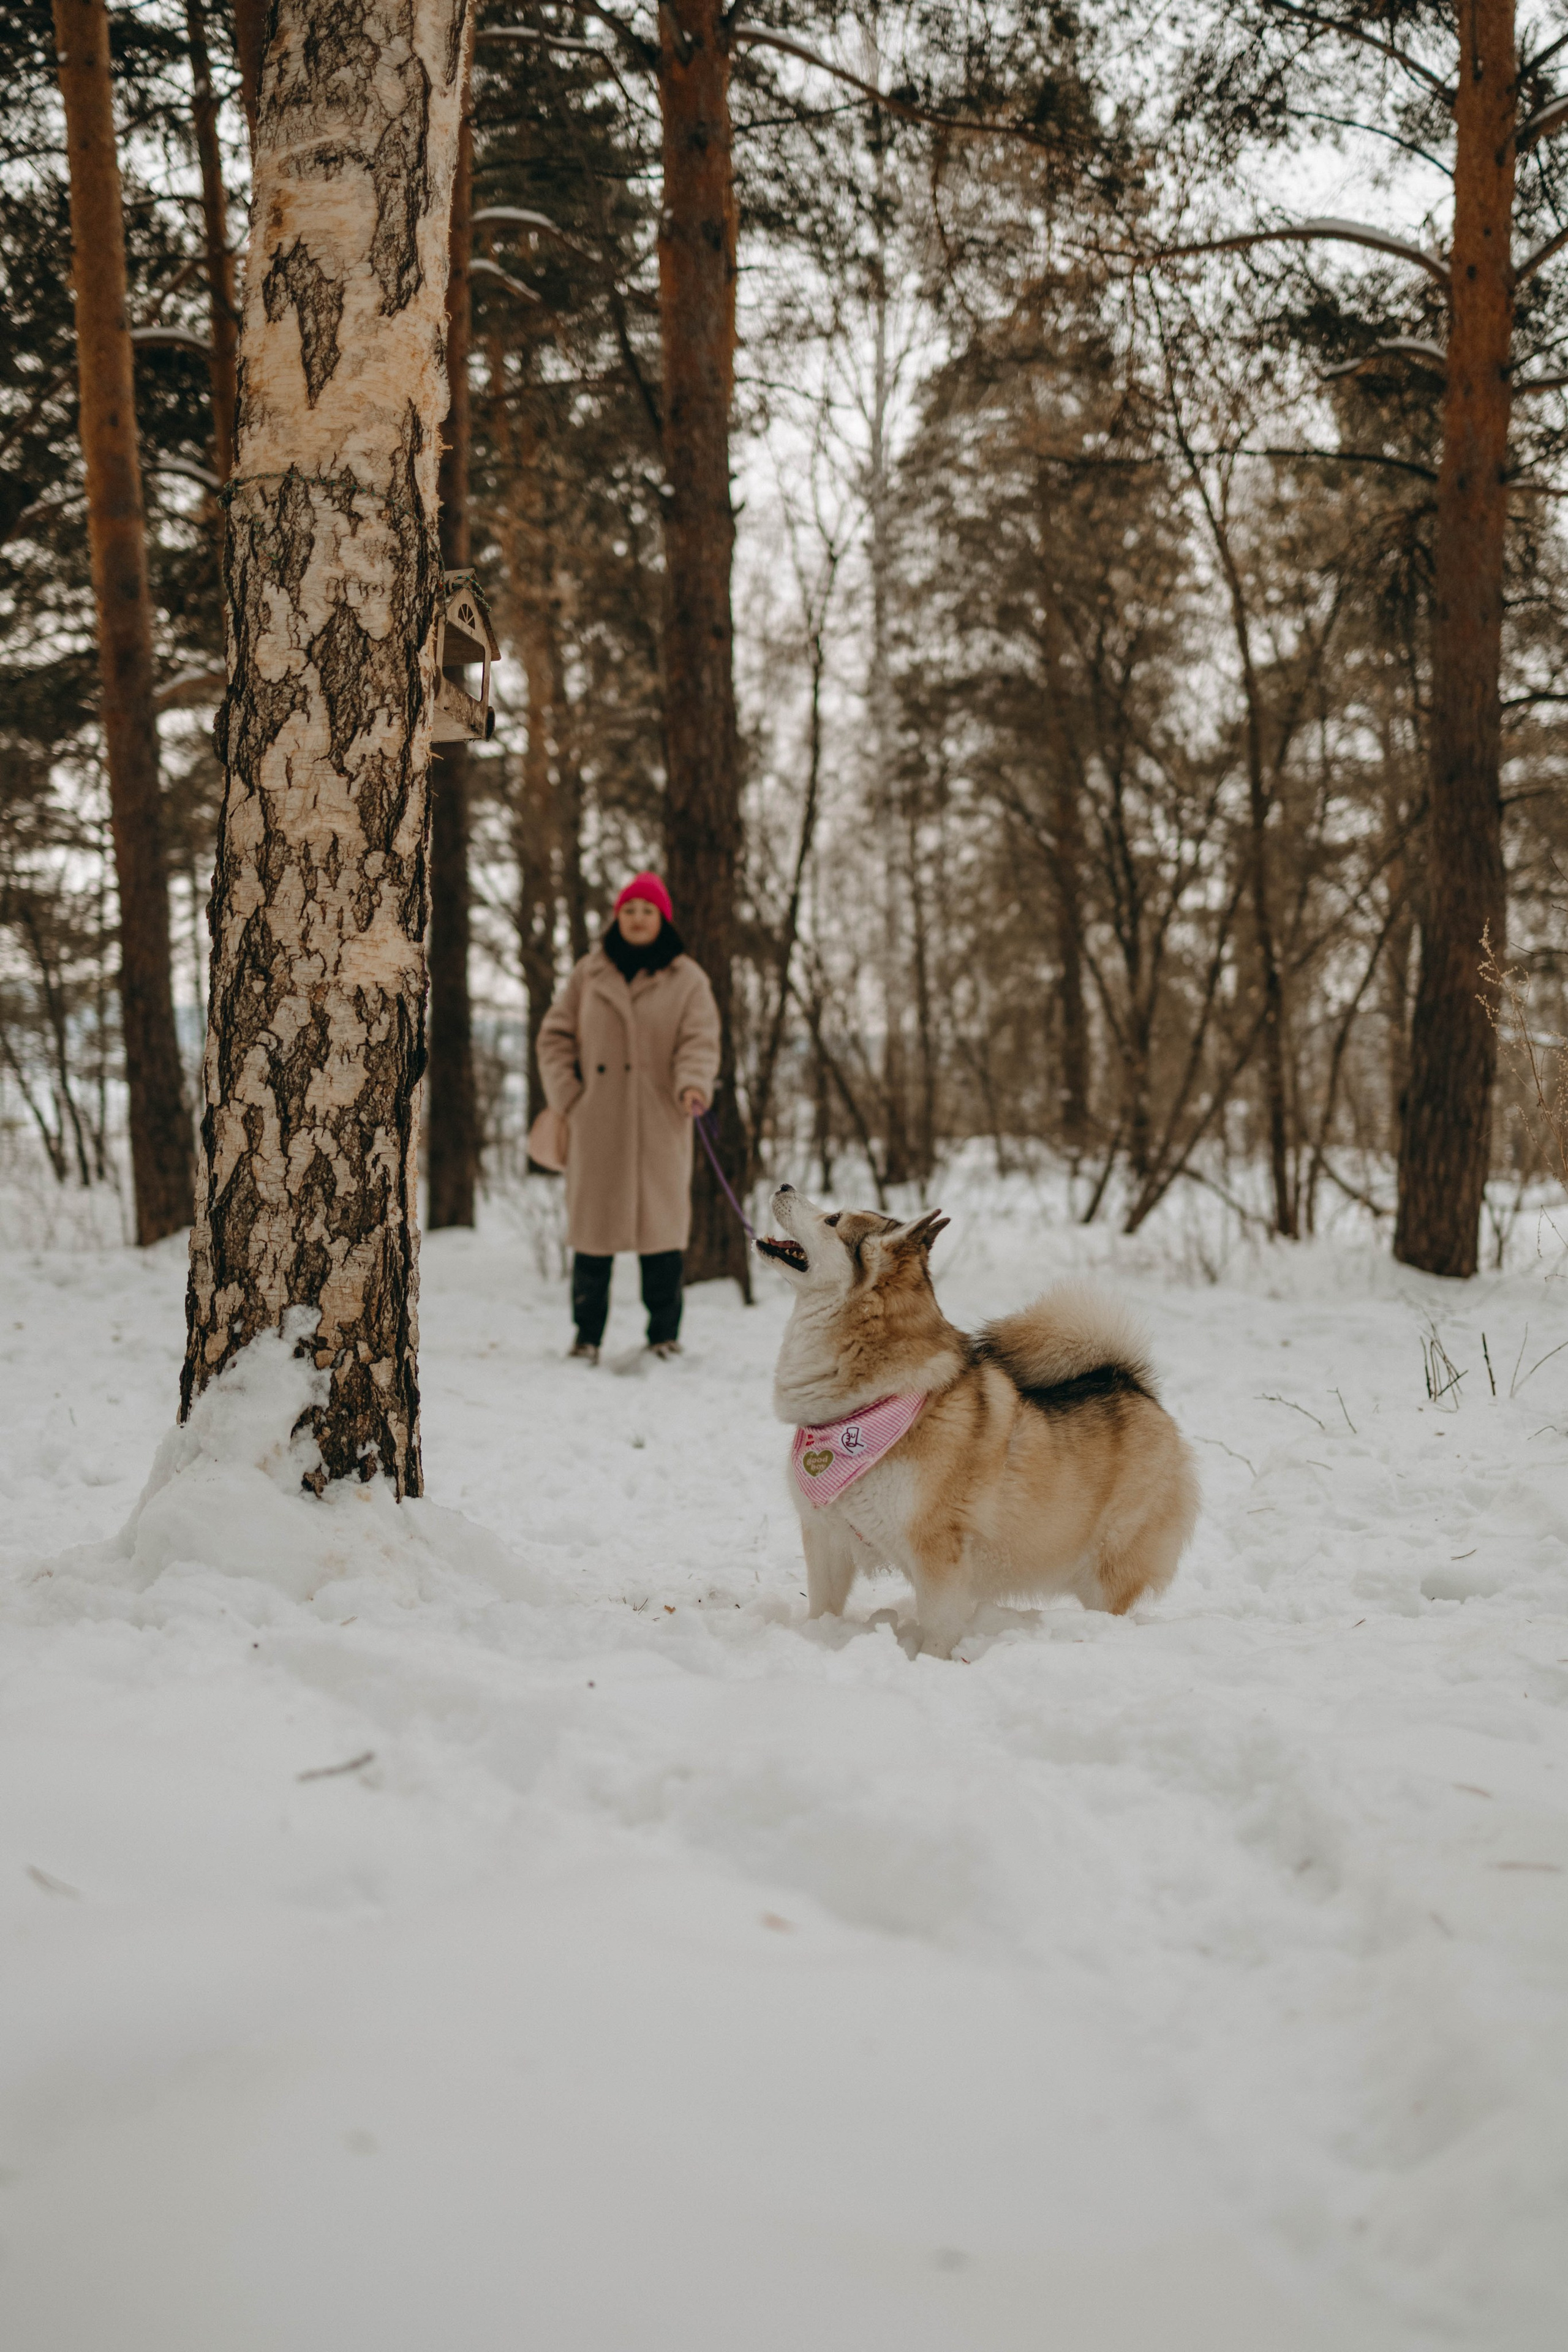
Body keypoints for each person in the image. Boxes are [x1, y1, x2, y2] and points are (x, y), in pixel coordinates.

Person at [536, 873, 721, 1363]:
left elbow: (699, 1041)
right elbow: (555, 1037)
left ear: (663, 919)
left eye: (648, 910)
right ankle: (586, 1338)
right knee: (592, 1238)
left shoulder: (688, 979)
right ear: (617, 917)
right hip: (596, 1121)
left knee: (662, 1237)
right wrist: (569, 1097)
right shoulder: (589, 973)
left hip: (661, 1119)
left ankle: (664, 1337)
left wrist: (693, 1084)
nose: (638, 918)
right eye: (630, 910)